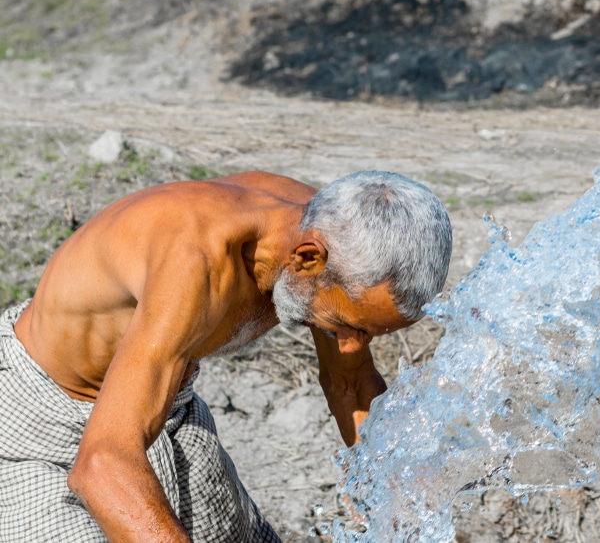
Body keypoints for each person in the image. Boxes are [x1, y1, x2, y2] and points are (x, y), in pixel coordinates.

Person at [0, 170, 452, 542]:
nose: (350, 346)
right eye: (347, 326)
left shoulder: (333, 233)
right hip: (35, 419)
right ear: (307, 257)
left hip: (164, 408)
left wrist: (401, 506)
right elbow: (103, 463)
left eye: (368, 333)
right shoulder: (196, 260)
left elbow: (349, 384)